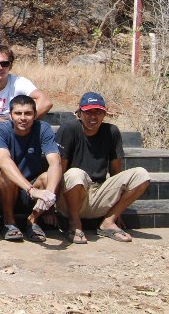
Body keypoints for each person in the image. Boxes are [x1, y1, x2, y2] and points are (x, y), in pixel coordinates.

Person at [56, 92, 150, 244]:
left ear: (104, 114)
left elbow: (115, 171)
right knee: (75, 174)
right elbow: (59, 169)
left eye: (98, 112)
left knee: (141, 174)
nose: (93, 117)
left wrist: (116, 210)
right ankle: (74, 223)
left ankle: (108, 221)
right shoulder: (69, 129)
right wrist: (49, 205)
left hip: (98, 193)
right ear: (79, 113)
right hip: (70, 196)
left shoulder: (111, 132)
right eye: (89, 112)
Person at [0, 94, 63, 243]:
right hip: (8, 191)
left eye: (28, 113)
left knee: (49, 176)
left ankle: (34, 220)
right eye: (18, 113)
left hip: (34, 187)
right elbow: (4, 161)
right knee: (4, 175)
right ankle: (9, 222)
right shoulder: (0, 129)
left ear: (35, 115)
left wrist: (49, 196)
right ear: (10, 115)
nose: (23, 118)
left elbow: (55, 162)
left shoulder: (43, 129)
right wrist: (31, 190)